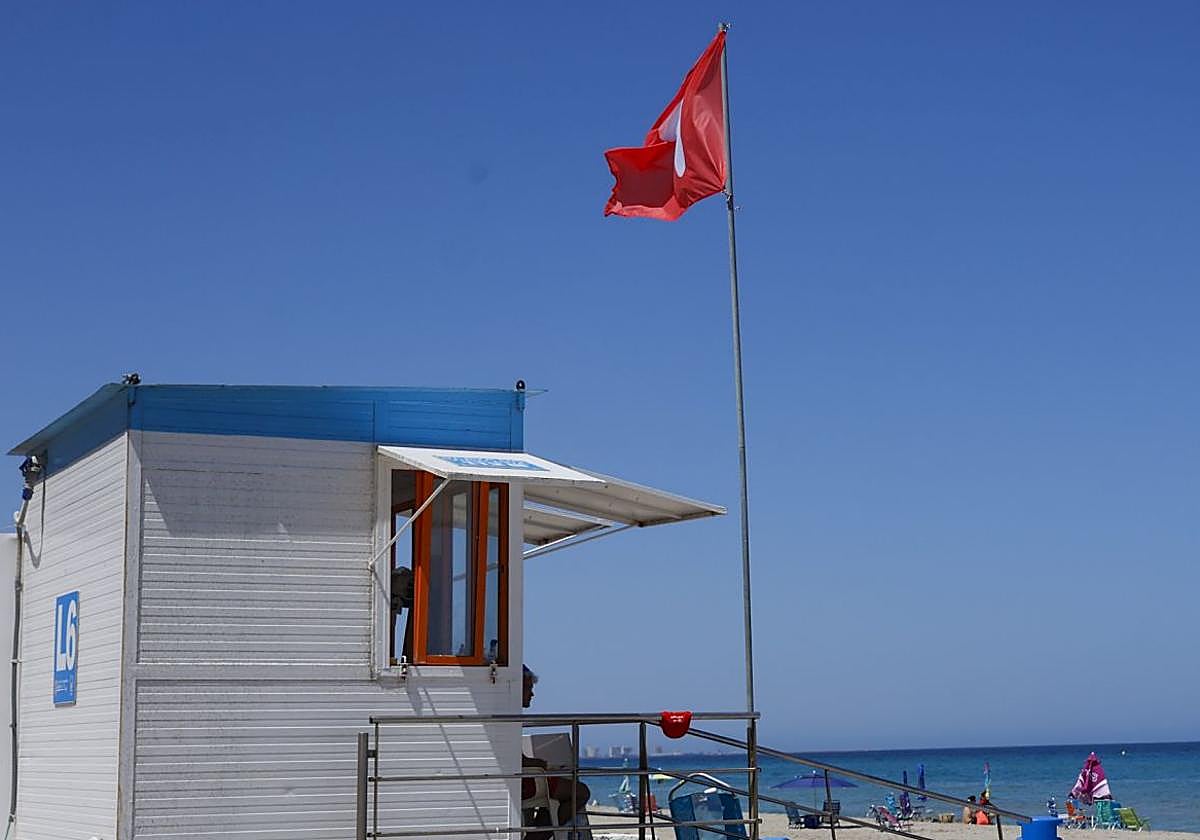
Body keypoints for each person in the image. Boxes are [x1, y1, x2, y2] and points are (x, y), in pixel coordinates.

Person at [522, 666, 590, 834]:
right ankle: (539, 837)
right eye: (529, 688)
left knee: (557, 795)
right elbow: (518, 760)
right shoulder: (508, 716)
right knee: (580, 792)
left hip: (520, 778)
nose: (532, 694)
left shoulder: (508, 715)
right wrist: (540, 763)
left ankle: (538, 833)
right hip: (524, 782)